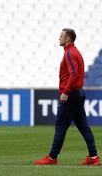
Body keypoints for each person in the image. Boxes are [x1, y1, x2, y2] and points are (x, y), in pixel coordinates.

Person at [34, 28, 100, 165]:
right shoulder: (75, 52)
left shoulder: (70, 53)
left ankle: (52, 157)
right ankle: (93, 157)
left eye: (61, 36)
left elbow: (74, 74)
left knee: (60, 126)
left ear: (67, 39)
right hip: (78, 93)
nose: (59, 38)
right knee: (83, 126)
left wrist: (65, 92)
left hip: (71, 94)